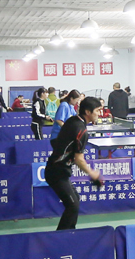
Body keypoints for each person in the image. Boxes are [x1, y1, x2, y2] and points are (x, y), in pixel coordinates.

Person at [45, 97, 105, 231]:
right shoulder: (80, 130)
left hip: (58, 170)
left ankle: (70, 232)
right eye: (97, 110)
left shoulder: (73, 120)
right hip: (56, 172)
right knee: (72, 205)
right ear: (88, 112)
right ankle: (61, 237)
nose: (99, 113)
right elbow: (79, 159)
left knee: (74, 200)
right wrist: (93, 174)